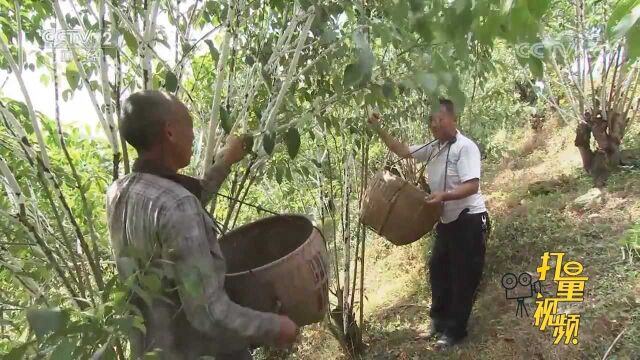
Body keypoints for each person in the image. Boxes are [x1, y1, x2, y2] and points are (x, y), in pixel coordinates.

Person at [106, 90, 297, 359]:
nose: (194, 135)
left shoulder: (119, 193)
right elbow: (208, 312)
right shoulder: (178, 204)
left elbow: (180, 200)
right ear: (170, 132)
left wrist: (225, 162)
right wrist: (275, 326)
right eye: (190, 125)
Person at [367, 99, 490, 349]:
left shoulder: (465, 148)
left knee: (463, 275)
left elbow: (472, 185)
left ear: (453, 119)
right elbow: (403, 151)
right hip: (445, 221)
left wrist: (443, 196)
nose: (433, 124)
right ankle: (439, 320)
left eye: (438, 119)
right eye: (431, 120)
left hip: (469, 219)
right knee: (438, 269)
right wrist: (378, 129)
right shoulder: (435, 148)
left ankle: (456, 330)